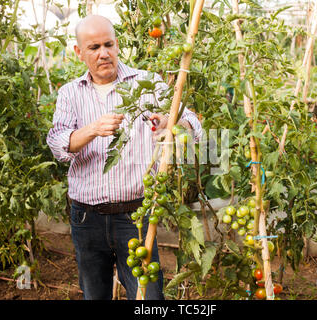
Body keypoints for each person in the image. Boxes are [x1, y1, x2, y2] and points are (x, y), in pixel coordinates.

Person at [46, 15, 202, 300]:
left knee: (149, 297)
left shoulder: (147, 83)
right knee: (95, 295)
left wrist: (171, 120)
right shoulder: (70, 94)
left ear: (117, 45)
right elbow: (57, 143)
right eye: (94, 47)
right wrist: (92, 130)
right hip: (86, 218)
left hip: (136, 216)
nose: (104, 53)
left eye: (109, 44)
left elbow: (192, 122)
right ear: (79, 52)